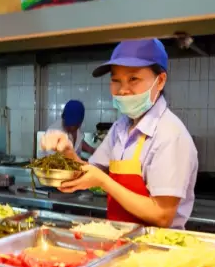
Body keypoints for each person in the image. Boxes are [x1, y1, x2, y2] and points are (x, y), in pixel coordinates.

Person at [41, 38, 198, 228]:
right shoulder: (120, 128)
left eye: (133, 79)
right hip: (120, 240)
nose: (123, 90)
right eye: (116, 80)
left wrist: (105, 182)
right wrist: (68, 154)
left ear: (161, 81)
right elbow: (89, 173)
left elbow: (162, 215)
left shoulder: (170, 135)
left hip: (154, 244)